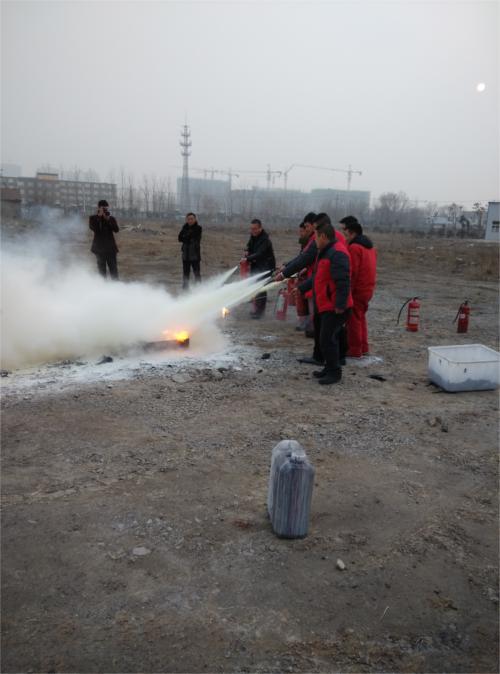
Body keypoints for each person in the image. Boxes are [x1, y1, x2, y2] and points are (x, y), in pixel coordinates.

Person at [297, 215, 353, 383]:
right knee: (325, 338)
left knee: (328, 339)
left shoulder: (337, 253)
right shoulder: (325, 252)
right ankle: (328, 368)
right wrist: (301, 288)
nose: (314, 242)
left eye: (315, 238)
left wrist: (340, 305)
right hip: (326, 304)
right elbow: (318, 277)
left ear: (323, 236)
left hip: (335, 306)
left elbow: (343, 281)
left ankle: (335, 373)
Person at [339, 215, 377, 357]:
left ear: (352, 232)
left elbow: (352, 273)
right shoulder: (369, 247)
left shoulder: (355, 248)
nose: (343, 235)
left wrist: (347, 293)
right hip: (367, 289)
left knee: (353, 319)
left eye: (344, 231)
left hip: (358, 290)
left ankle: (355, 350)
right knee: (360, 318)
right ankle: (364, 347)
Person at [275, 212, 317, 335]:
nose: (302, 233)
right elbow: (301, 258)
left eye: (305, 229)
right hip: (310, 276)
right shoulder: (309, 241)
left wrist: (284, 274)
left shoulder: (315, 240)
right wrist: (286, 267)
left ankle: (312, 326)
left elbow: (304, 259)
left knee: (311, 301)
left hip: (314, 277)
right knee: (305, 298)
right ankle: (307, 324)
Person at [244, 218, 276, 318]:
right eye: (251, 229)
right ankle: (256, 309)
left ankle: (260, 312)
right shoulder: (253, 237)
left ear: (260, 228)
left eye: (255, 229)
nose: (252, 231)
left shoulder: (265, 240)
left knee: (261, 289)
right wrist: (247, 251)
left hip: (265, 267)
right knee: (255, 287)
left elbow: (260, 253)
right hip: (256, 265)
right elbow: (249, 246)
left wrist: (247, 259)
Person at [89, 199, 119, 279]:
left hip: (111, 249)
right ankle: (102, 285)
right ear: (99, 208)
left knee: (114, 270)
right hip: (99, 249)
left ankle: (116, 285)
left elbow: (116, 230)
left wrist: (108, 220)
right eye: (104, 208)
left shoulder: (111, 218)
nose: (105, 210)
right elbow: (94, 228)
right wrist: (99, 217)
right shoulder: (93, 218)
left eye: (106, 208)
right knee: (101, 271)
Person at [178, 212, 202, 289]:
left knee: (196, 273)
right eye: (188, 219)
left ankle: (199, 288)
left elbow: (192, 238)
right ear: (186, 220)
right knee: (185, 274)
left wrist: (185, 237)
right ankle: (185, 289)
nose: (190, 221)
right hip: (185, 256)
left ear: (195, 219)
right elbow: (179, 238)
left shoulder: (198, 228)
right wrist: (186, 237)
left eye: (192, 219)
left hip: (195, 255)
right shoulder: (184, 227)